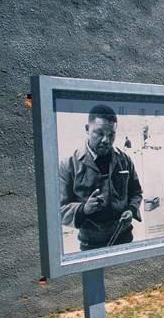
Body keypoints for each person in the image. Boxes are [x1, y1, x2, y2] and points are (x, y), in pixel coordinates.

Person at [59, 104, 143, 250]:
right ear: (87, 129)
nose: (106, 140)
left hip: (123, 238)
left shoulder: (124, 159)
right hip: (91, 244)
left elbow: (136, 192)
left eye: (111, 135)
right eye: (99, 133)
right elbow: (59, 209)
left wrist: (131, 209)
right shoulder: (69, 164)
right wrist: (83, 209)